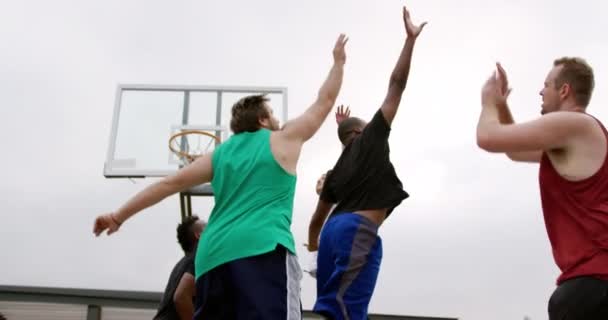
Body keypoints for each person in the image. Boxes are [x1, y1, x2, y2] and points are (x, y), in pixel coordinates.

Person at [93, 33, 348, 320]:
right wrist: (338, 62)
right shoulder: (283, 138)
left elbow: (169, 184)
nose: (276, 119)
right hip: (262, 248)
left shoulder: (220, 154)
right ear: (262, 120)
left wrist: (118, 216)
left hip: (212, 258)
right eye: (271, 114)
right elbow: (324, 101)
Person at [307, 6, 425, 319]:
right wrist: (410, 41)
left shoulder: (335, 172)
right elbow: (396, 86)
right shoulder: (371, 138)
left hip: (332, 231)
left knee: (329, 308)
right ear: (361, 131)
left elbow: (316, 220)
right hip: (356, 230)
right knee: (347, 312)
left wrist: (313, 245)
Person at [477, 59, 608, 319]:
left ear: (564, 91)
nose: (540, 91)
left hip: (593, 284)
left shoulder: (574, 124)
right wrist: (503, 107)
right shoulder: (580, 135)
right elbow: (514, 151)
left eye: (546, 85)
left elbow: (488, 138)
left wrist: (488, 101)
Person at [154, 216, 206, 320]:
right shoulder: (200, 254)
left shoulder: (181, 264)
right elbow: (181, 297)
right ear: (199, 235)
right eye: (208, 227)